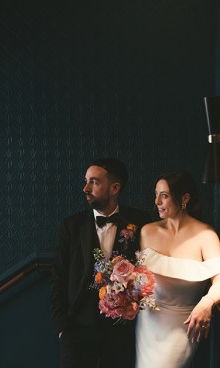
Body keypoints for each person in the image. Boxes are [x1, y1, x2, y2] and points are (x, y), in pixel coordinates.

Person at [51, 157, 151, 368]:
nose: (86, 188)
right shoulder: (71, 226)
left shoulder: (141, 223)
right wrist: (63, 328)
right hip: (76, 329)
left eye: (94, 182)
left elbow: (149, 271)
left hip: (121, 333)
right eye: (86, 181)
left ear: (115, 188)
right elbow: (58, 278)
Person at [135, 169, 220, 368]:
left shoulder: (206, 234)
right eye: (156, 195)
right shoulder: (147, 231)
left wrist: (206, 303)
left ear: (184, 198)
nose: (157, 202)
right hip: (149, 321)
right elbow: (140, 279)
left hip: (184, 322)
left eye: (164, 196)